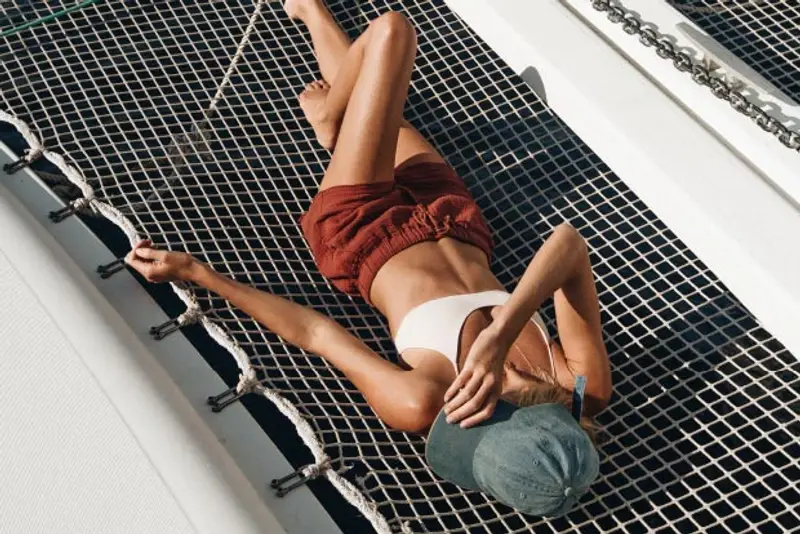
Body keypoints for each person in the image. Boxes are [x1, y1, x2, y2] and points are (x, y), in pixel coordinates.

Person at [125, 0, 612, 517]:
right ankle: (323, 70)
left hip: (360, 229)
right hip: (450, 216)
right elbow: (569, 245)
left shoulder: (424, 402)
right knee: (376, 109)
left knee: (392, 35)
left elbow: (319, 336)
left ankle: (327, 96)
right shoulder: (578, 383)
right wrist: (497, 337)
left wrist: (200, 275)